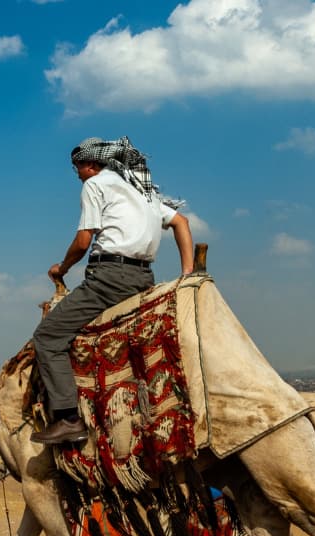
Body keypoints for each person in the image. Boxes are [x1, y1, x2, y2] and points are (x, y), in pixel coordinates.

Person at [31, 136, 194, 445]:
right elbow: (181, 222)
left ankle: (68, 418)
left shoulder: (95, 186)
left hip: (108, 279)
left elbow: (83, 241)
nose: (77, 174)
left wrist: (61, 269)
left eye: (77, 167)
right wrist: (187, 275)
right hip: (143, 279)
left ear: (91, 165)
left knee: (47, 337)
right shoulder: (141, 191)